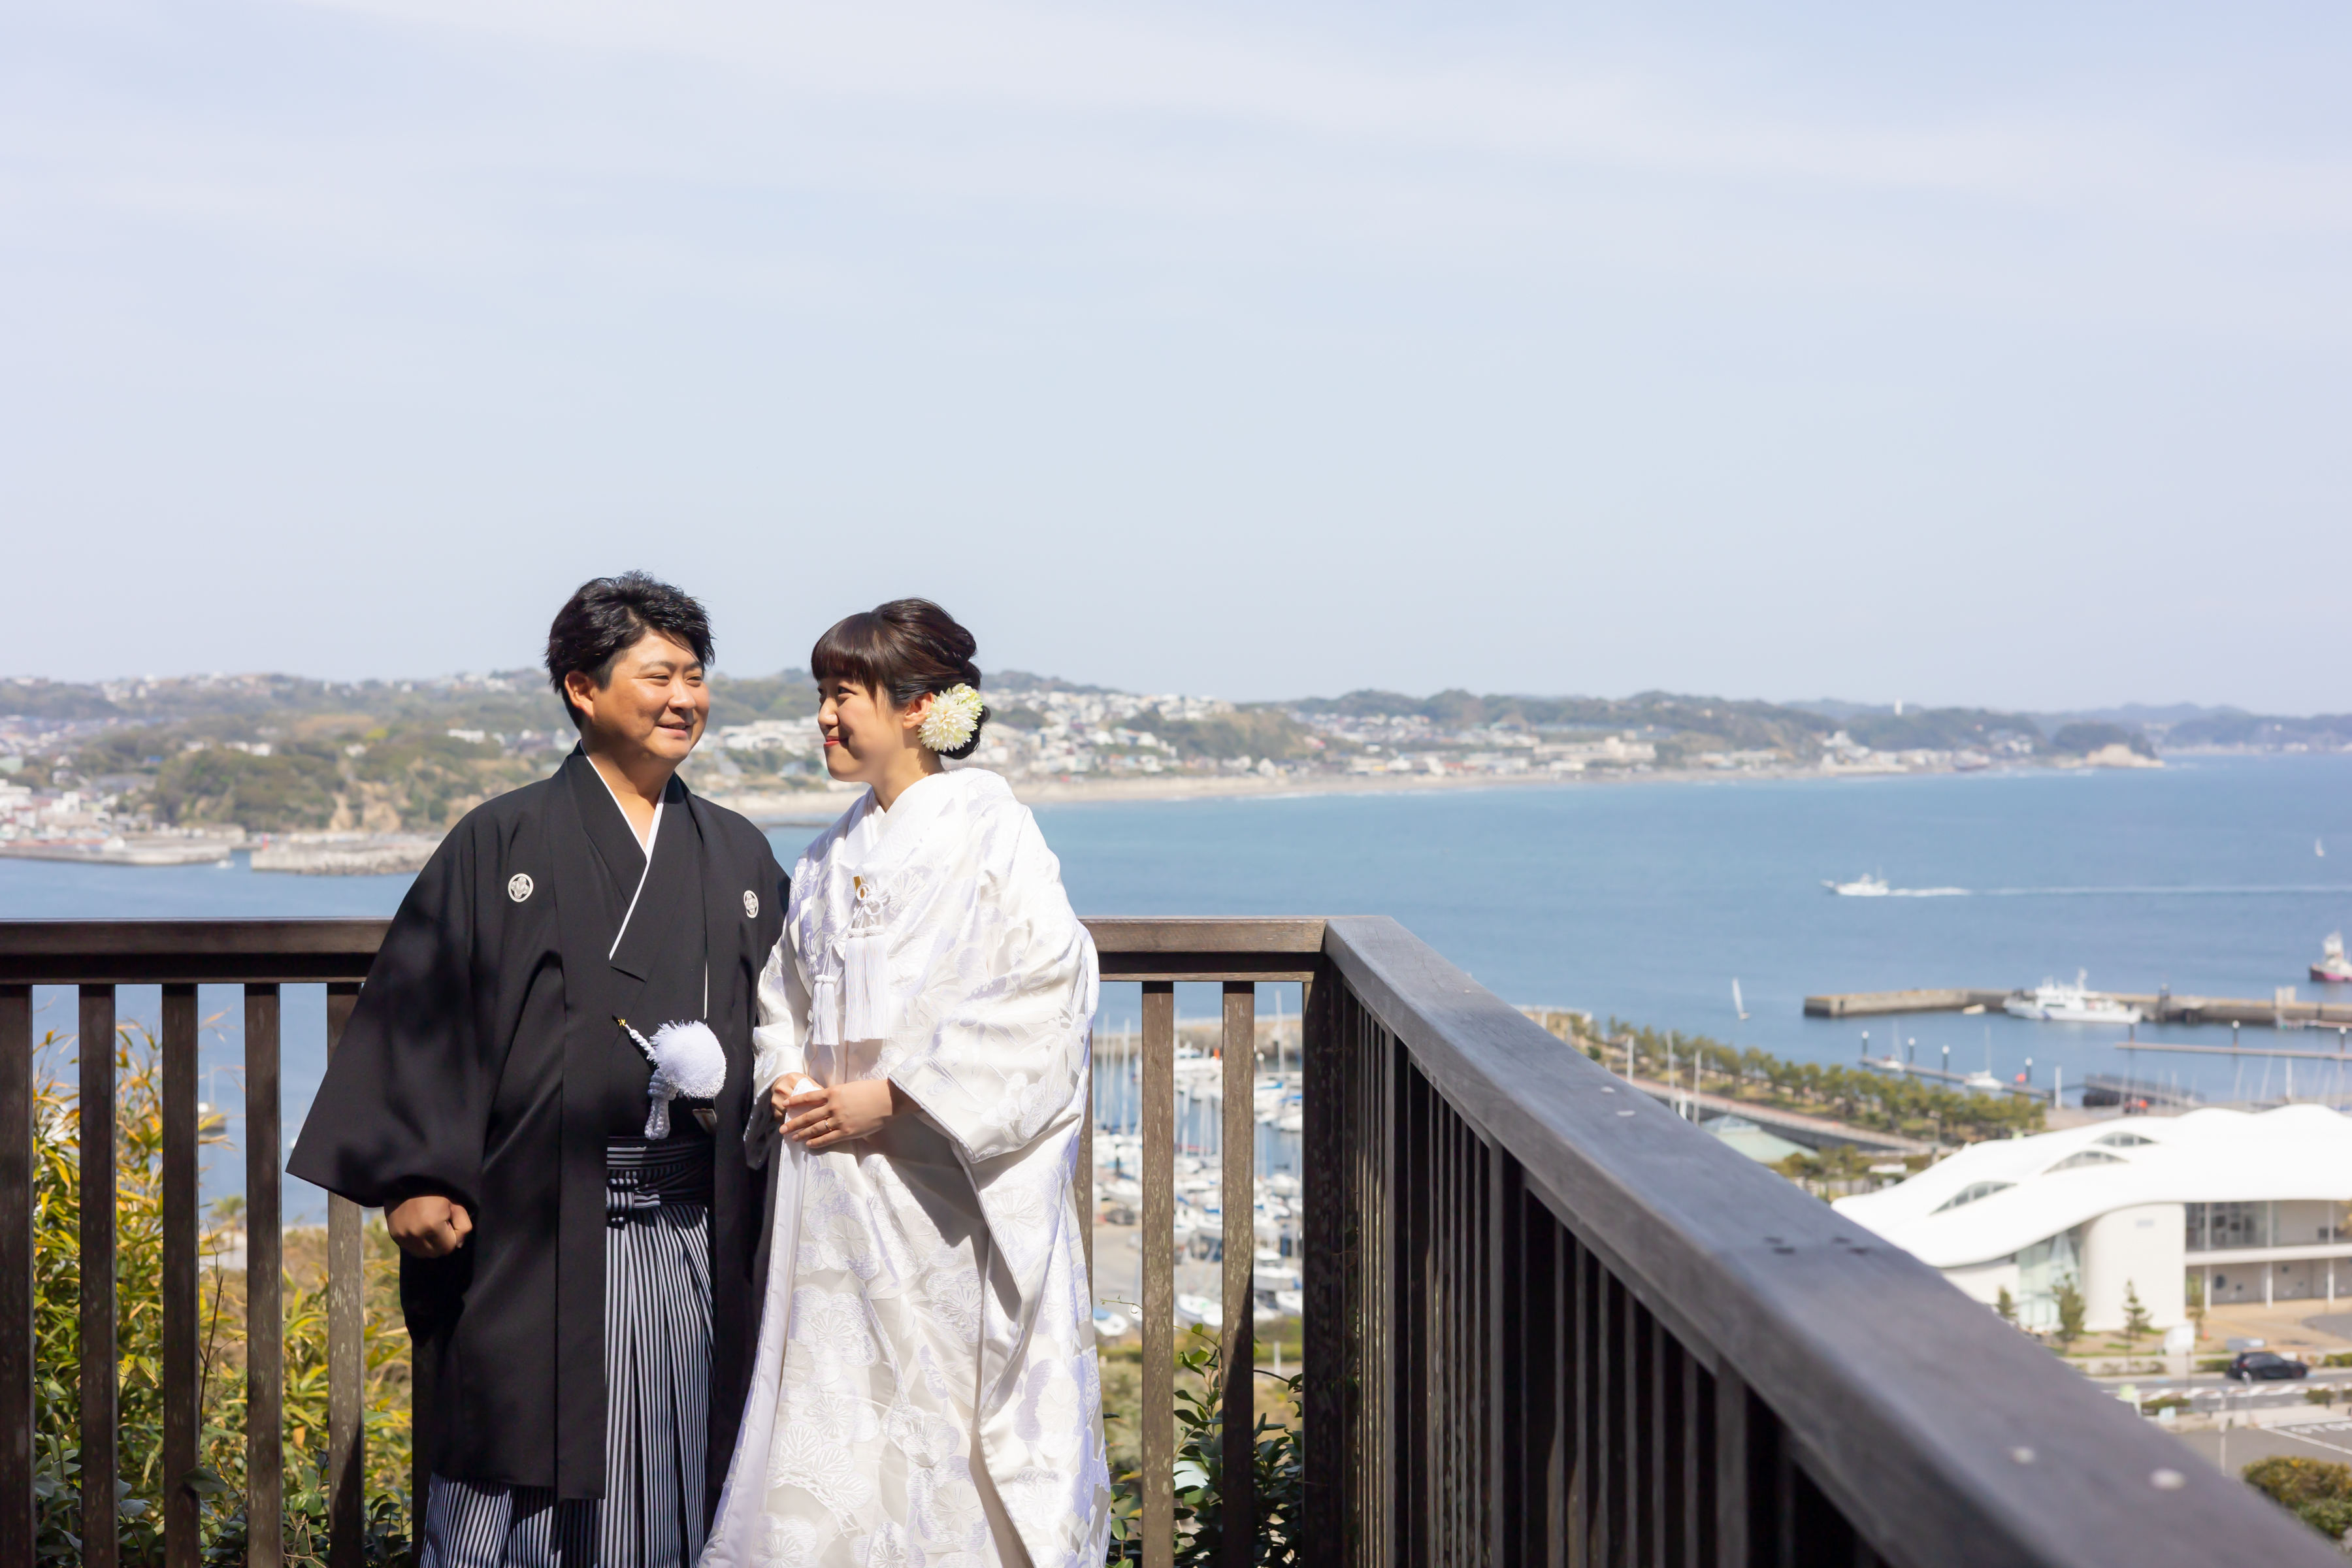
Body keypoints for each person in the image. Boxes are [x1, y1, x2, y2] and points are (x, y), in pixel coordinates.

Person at [289, 572, 789, 1567]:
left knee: (680, 1456)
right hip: (532, 1224)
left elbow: (790, 1020)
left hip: (693, 1226)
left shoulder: (734, 851)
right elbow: (422, 1008)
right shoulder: (502, 840)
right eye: (659, 675)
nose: (684, 697)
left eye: (696, 675)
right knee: (506, 1452)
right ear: (581, 688)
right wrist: (414, 1173)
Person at [701, 600, 1110, 1568]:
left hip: (939, 1176)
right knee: (833, 1408)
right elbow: (782, 1001)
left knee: (943, 1413)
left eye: (844, 695)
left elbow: (1049, 987)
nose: (826, 718)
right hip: (834, 1182)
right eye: (824, 696)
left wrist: (894, 1098)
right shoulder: (824, 855)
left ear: (920, 706)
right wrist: (790, 1080)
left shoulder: (992, 831)